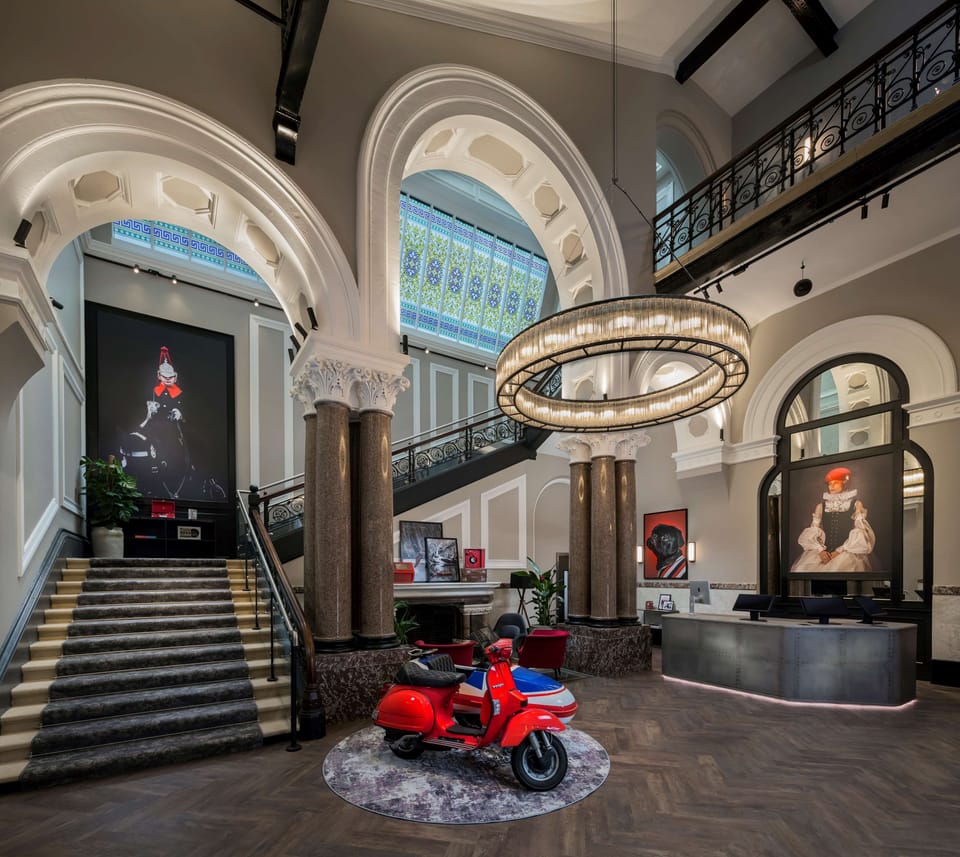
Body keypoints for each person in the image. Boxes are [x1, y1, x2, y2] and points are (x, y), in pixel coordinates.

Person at [790, 466, 876, 572]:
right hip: (824, 553)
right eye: (829, 484)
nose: (831, 486)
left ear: (845, 483)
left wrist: (839, 551)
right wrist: (820, 551)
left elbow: (860, 533)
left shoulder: (856, 504)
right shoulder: (820, 506)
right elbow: (814, 531)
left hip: (845, 552)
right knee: (804, 569)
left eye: (835, 483)